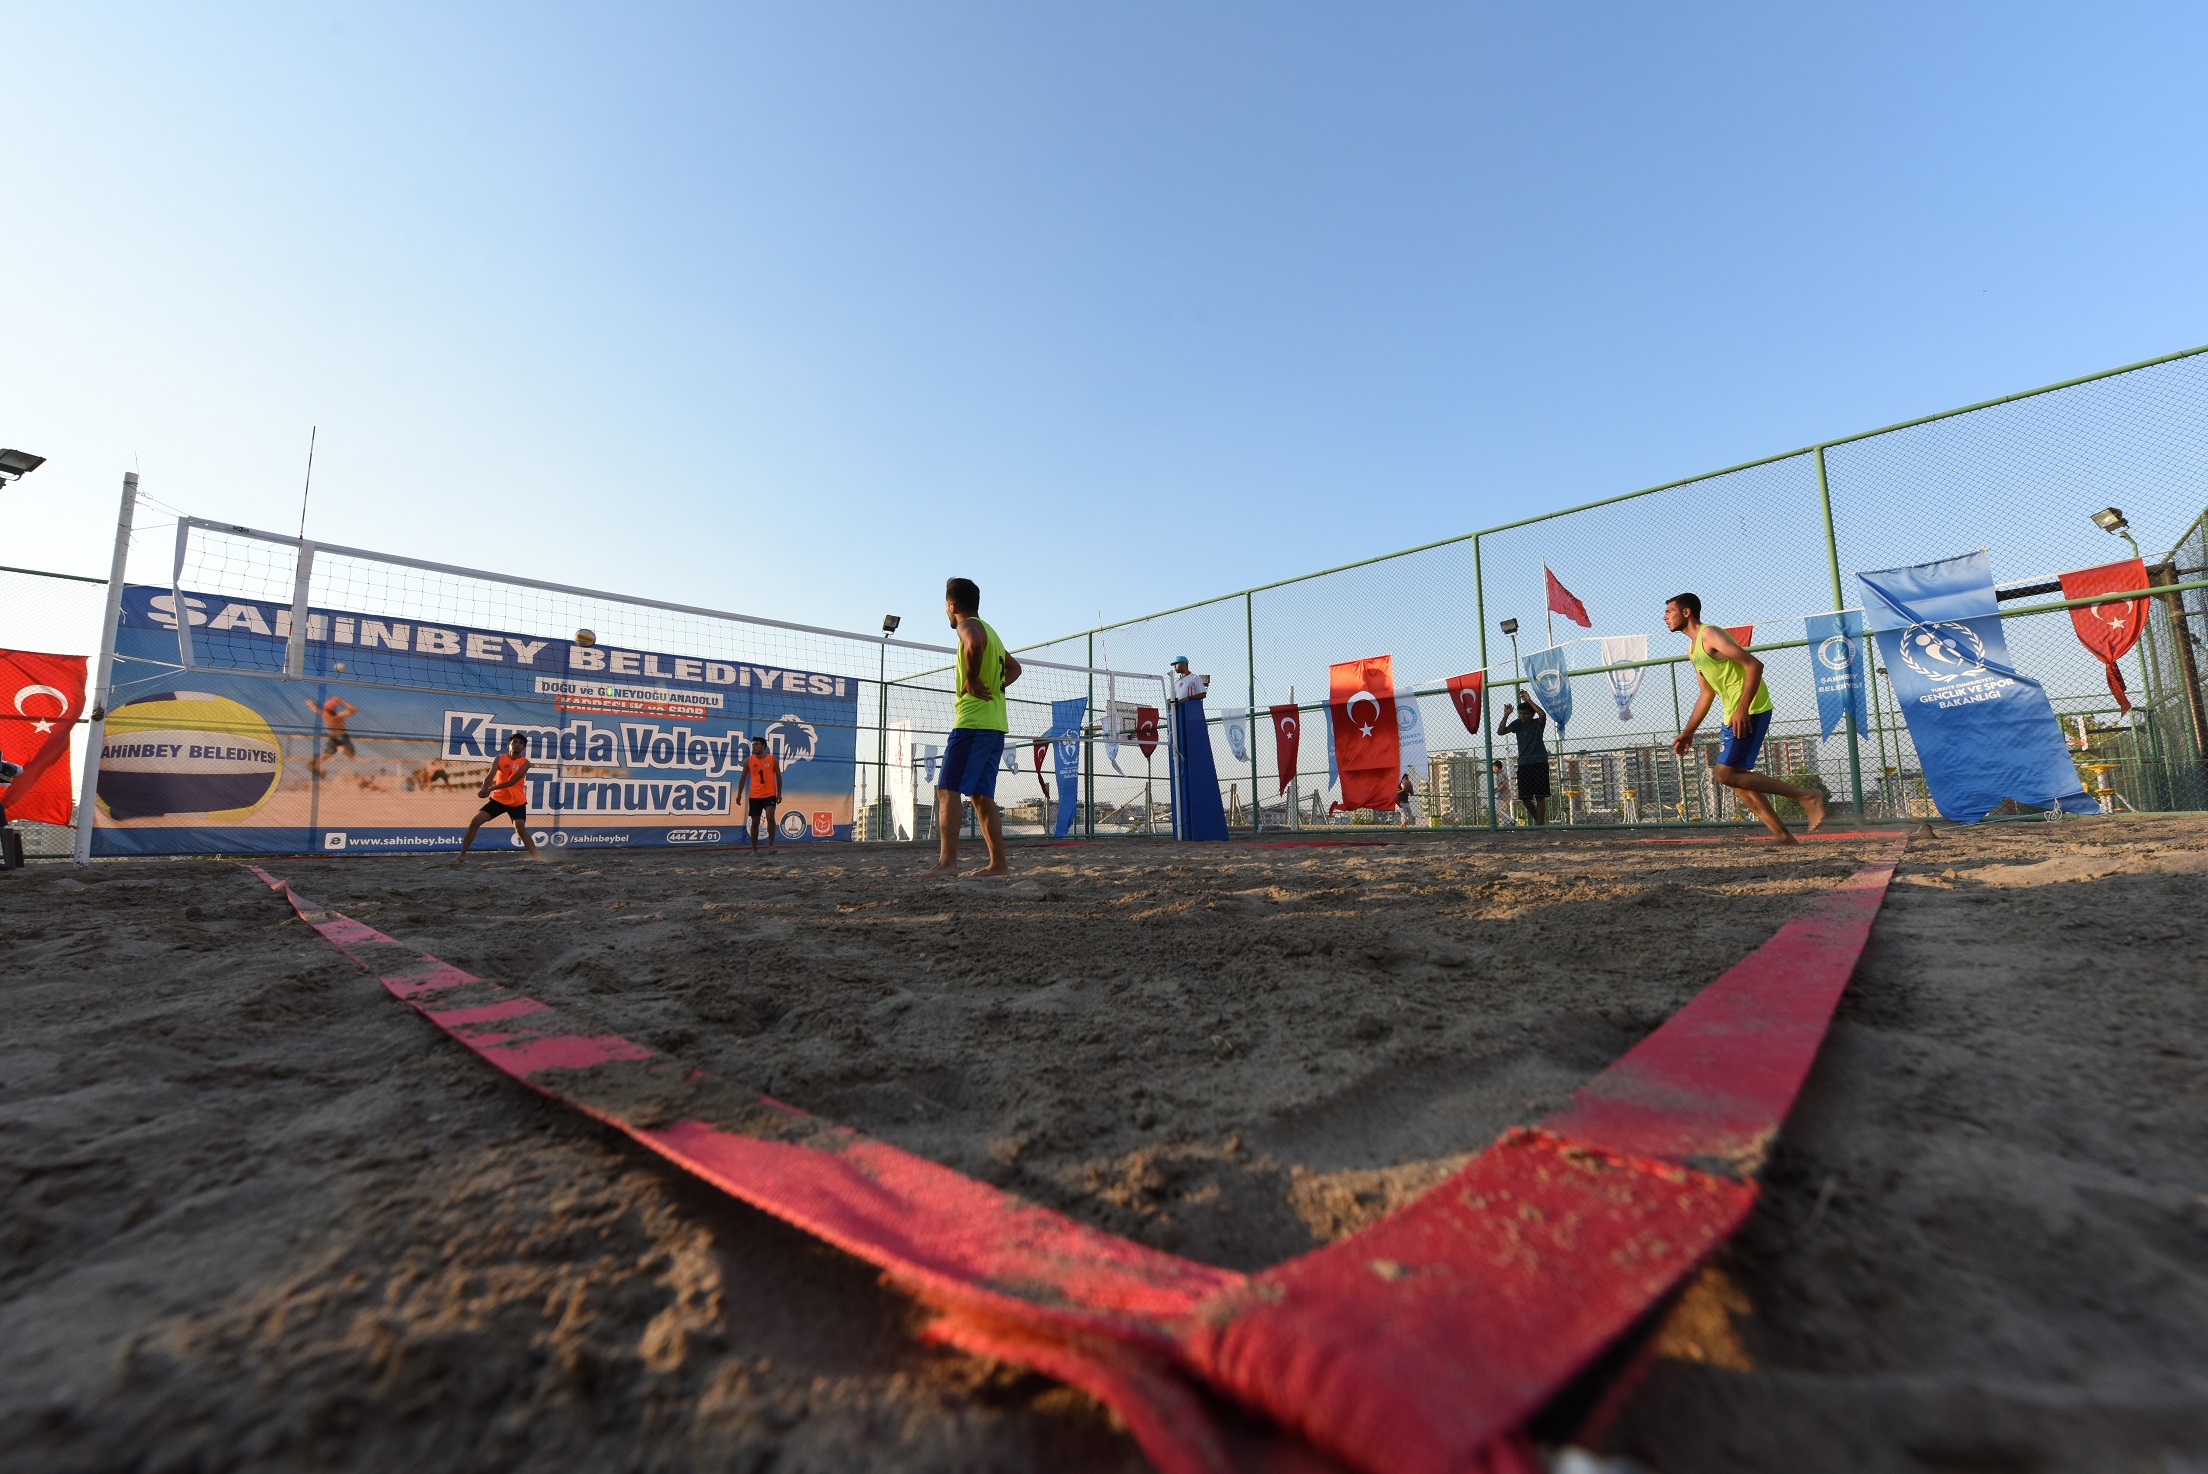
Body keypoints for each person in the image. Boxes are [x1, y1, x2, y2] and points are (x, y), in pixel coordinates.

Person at [1666, 592, 1827, 844]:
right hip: (1733, 713)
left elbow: (1754, 665)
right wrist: (1688, 731)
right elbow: (1706, 692)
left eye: (1669, 611)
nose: (1665, 617)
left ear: (1686, 612)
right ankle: (1782, 835)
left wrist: (1743, 708)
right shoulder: (1692, 648)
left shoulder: (1710, 634)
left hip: (1751, 709)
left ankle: (1806, 795)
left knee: (1724, 773)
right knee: (1736, 779)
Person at [923, 577, 1020, 877]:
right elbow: (1015, 669)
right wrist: (994, 685)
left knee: (947, 789)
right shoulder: (994, 632)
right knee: (980, 796)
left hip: (973, 724)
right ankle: (998, 865)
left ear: (951, 606)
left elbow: (973, 641)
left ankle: (947, 863)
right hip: (995, 727)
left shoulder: (970, 626)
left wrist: (974, 679)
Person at [457, 733, 540, 861]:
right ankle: (461, 855)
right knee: (475, 821)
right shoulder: (499, 758)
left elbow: (512, 781)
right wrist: (484, 788)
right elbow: (490, 776)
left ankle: (537, 858)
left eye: (521, 744)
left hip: (516, 801)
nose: (517, 745)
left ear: (523, 748)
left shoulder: (525, 763)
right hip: (498, 800)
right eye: (515, 742)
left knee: (520, 829)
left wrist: (491, 789)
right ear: (509, 744)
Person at [1498, 692, 1550, 825]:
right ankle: (1540, 822)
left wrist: (1529, 700)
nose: (1522, 716)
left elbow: (1543, 714)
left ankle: (1539, 825)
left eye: (1525, 713)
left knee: (1540, 796)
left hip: (1539, 762)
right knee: (1525, 797)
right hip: (1524, 764)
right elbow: (1501, 731)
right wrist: (1506, 714)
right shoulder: (1517, 724)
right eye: (1520, 713)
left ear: (1532, 714)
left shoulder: (1538, 723)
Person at [737, 736, 782, 854]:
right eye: (753, 745)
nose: (753, 747)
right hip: (755, 795)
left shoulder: (772, 760)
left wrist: (779, 793)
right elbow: (743, 778)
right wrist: (739, 794)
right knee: (755, 822)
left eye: (756, 745)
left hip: (769, 794)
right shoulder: (749, 761)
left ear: (763, 746)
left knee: (770, 816)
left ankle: (771, 845)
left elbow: (778, 777)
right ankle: (754, 849)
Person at [306, 694, 357, 773]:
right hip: (342, 736)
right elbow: (354, 709)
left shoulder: (325, 715)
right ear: (333, 709)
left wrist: (310, 703)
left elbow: (314, 709)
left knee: (328, 753)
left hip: (333, 737)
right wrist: (341, 701)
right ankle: (343, 750)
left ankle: (320, 761)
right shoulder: (339, 716)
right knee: (351, 755)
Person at [1490, 759, 1514, 826]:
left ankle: (1511, 821)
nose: (1493, 769)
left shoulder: (1501, 774)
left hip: (1504, 795)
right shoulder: (1499, 774)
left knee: (1496, 810)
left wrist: (1496, 791)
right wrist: (1495, 789)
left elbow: (1503, 784)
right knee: (1502, 810)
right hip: (1504, 795)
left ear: (1496, 767)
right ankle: (1505, 824)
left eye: (1494, 767)